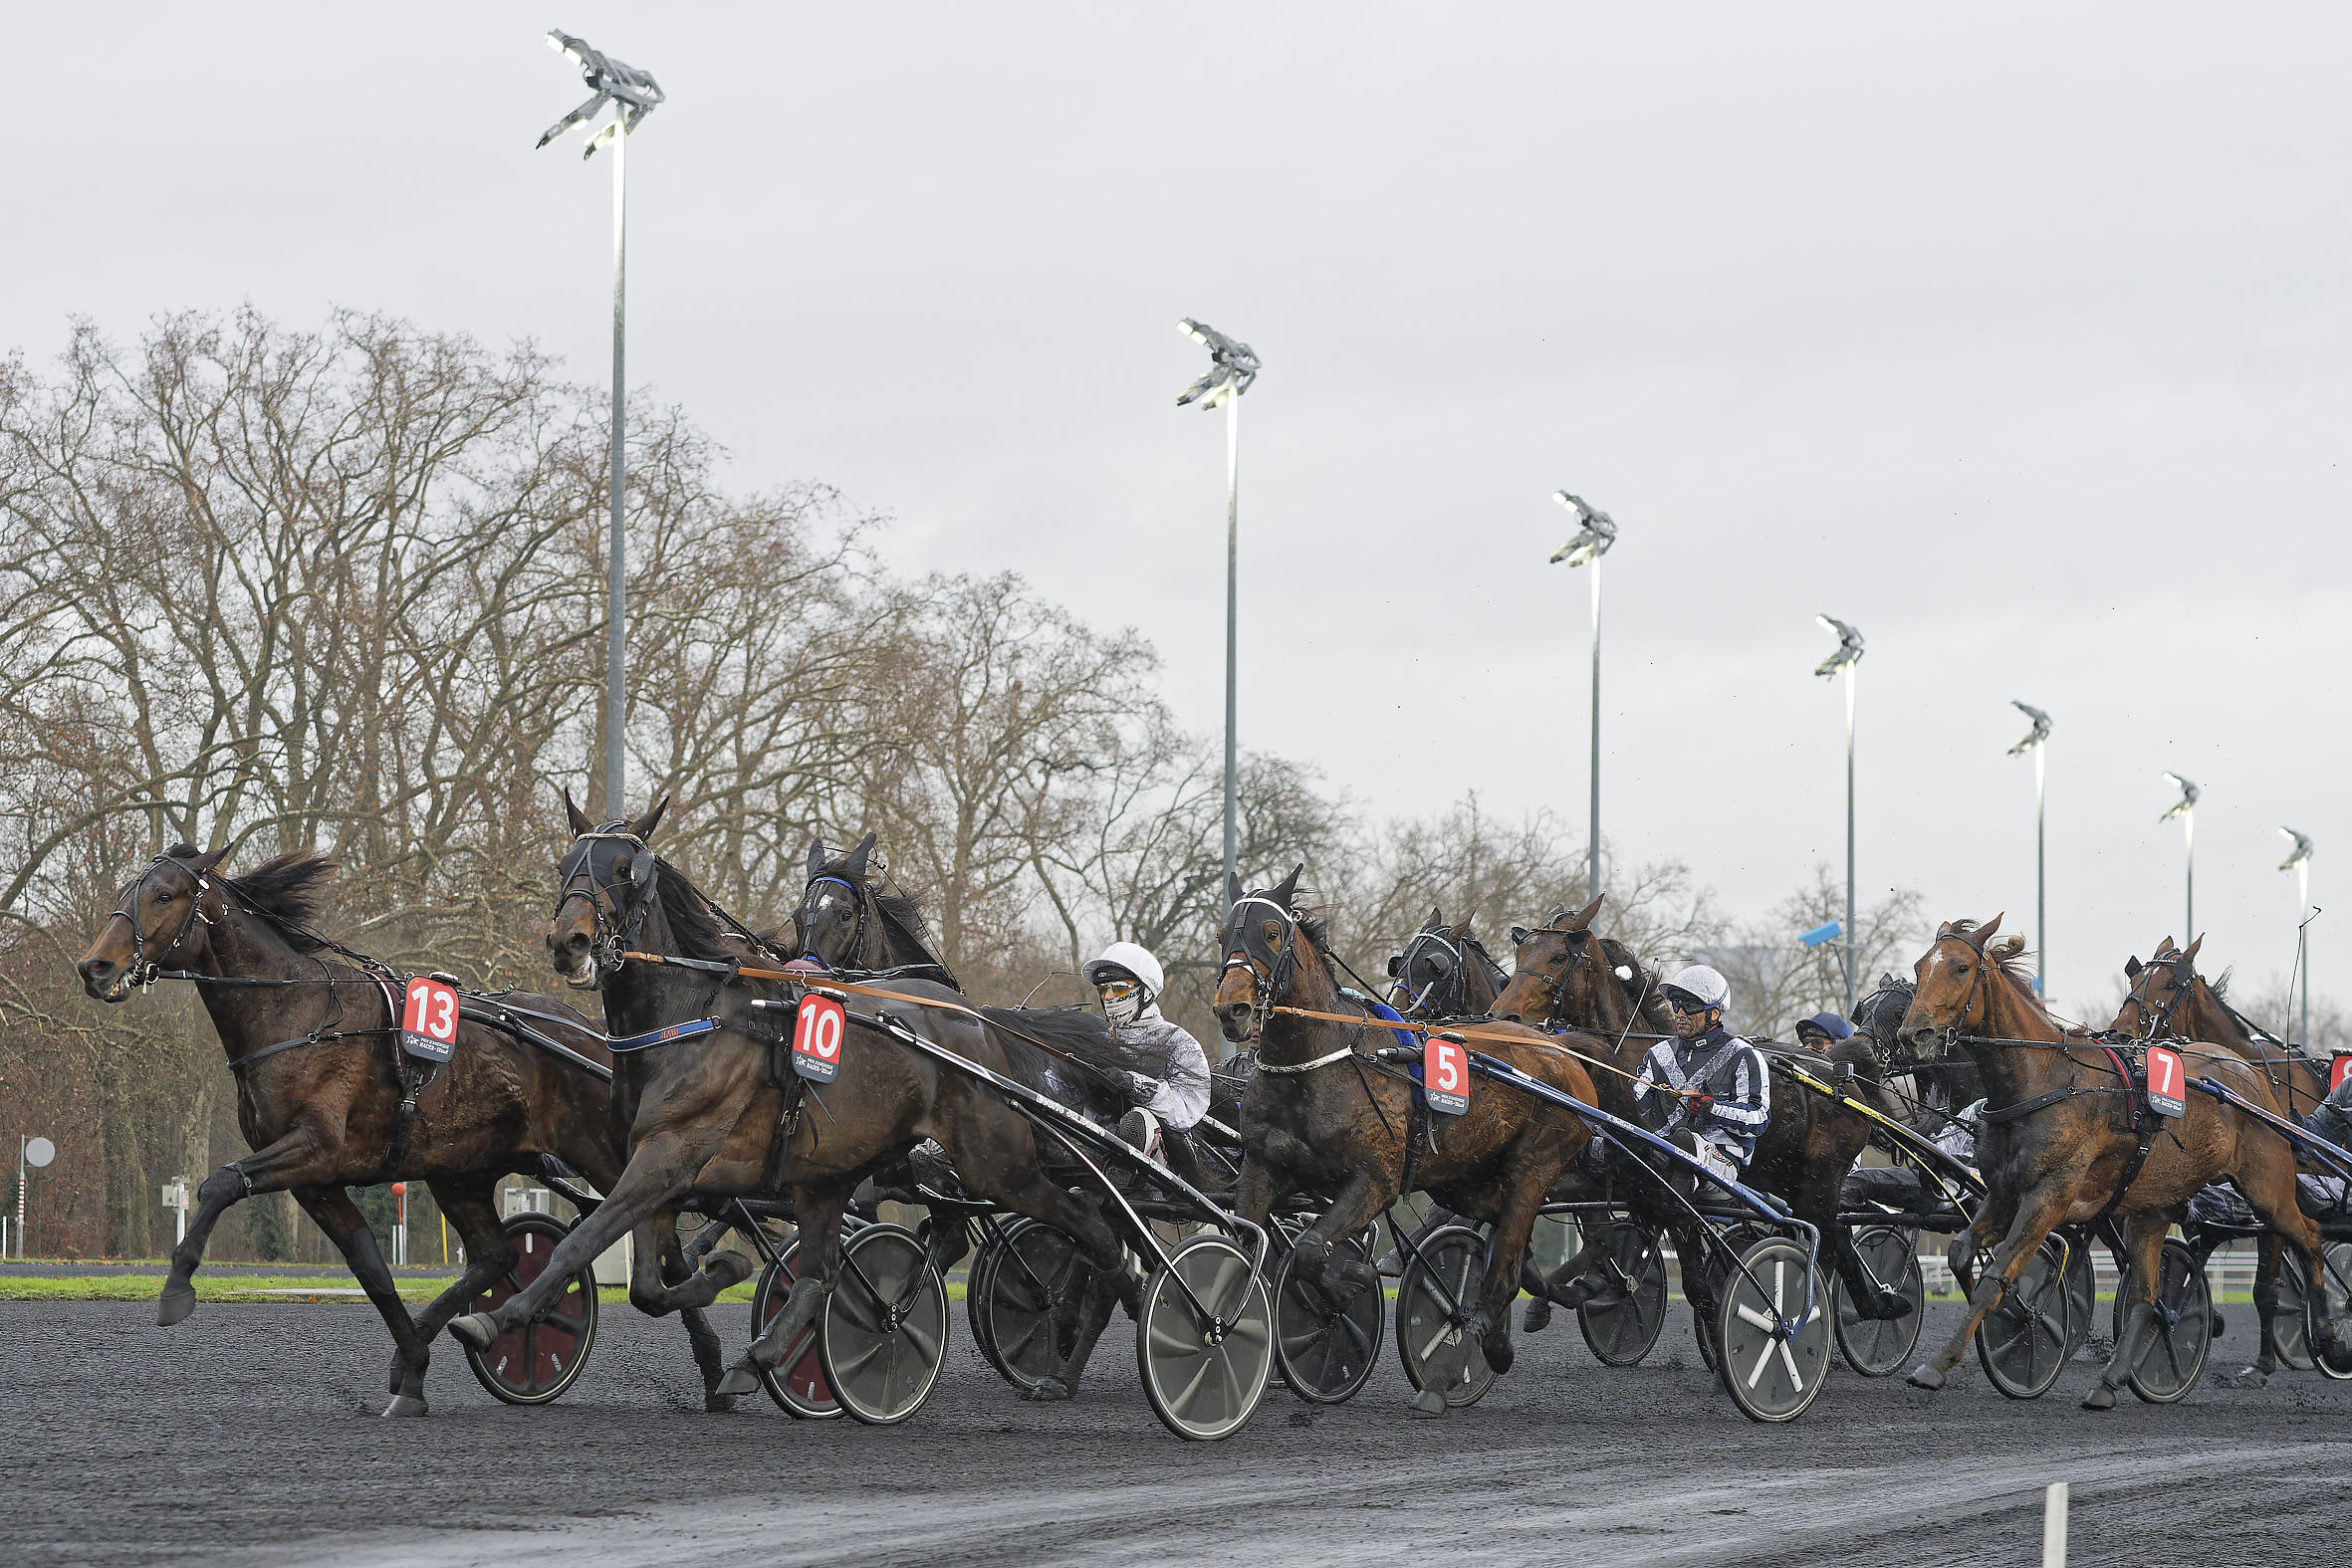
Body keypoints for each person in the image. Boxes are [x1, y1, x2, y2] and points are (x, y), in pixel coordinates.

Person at [1632, 964, 1770, 1192]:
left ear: (1714, 1013)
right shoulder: (1658, 1054)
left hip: (1720, 1159)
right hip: (1661, 1150)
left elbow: (1759, 1119)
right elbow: (1631, 1104)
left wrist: (1712, 1109)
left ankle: (1679, 1188)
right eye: (1676, 1004)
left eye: (1689, 1005)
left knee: (1686, 1143)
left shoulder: (1744, 1055)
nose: (1680, 1013)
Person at [1081, 941, 1211, 1163]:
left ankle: (1123, 1169)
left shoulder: (1179, 1043)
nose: (1109, 996)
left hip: (1165, 1162)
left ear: (1147, 992)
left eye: (1119, 987)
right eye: (1103, 989)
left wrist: (1133, 1084)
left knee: (1138, 1121)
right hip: (1092, 1146)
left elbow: (1187, 1110)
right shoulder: (1097, 1039)